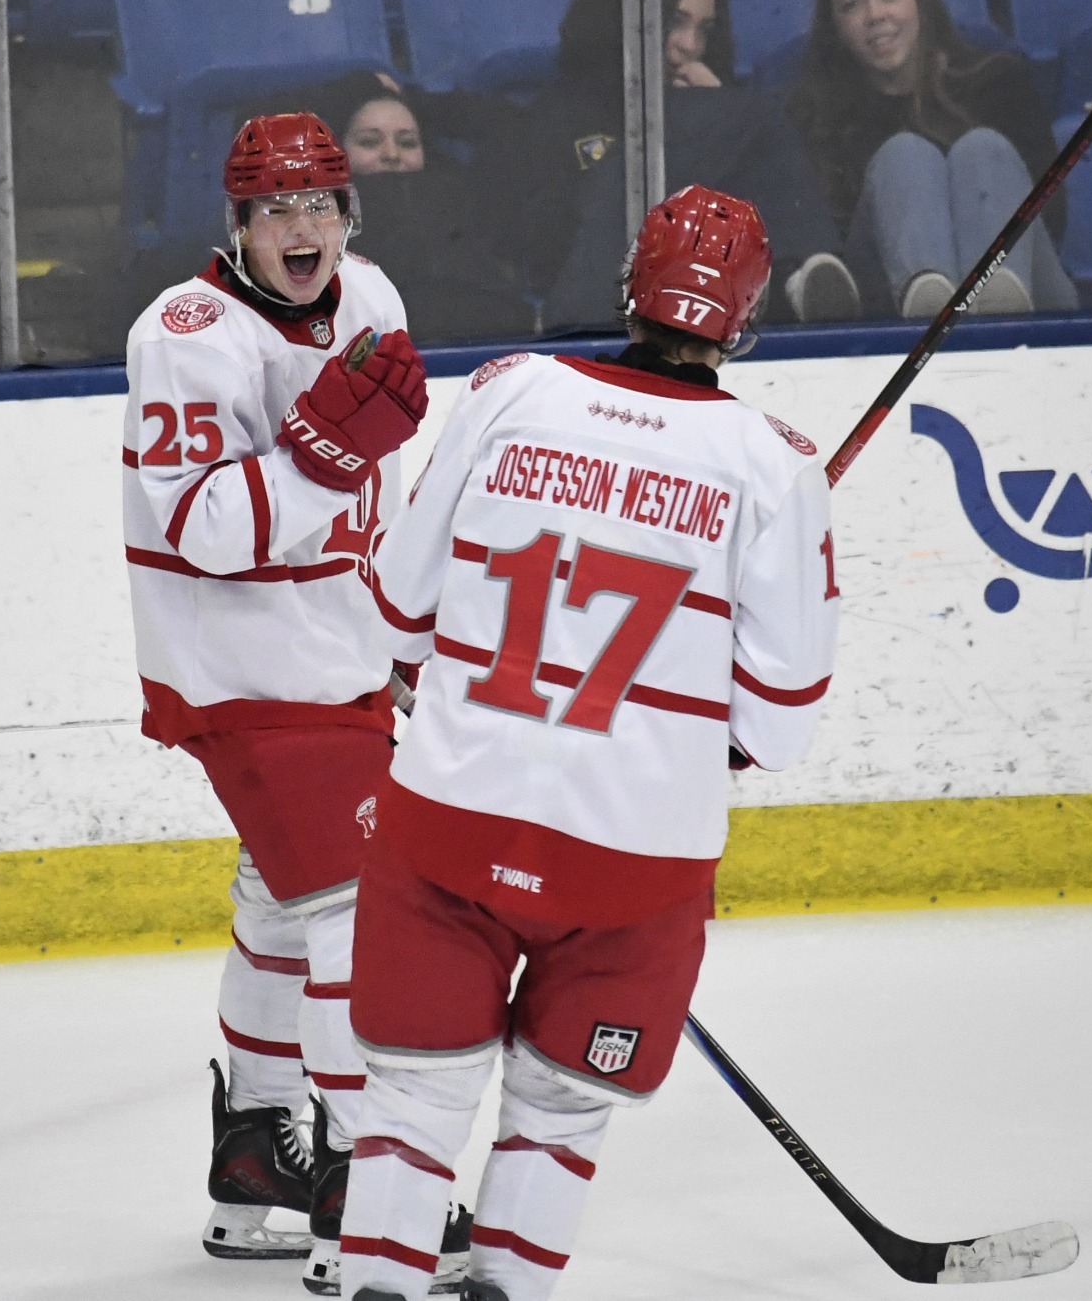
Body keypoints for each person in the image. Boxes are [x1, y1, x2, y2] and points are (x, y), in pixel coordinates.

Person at [338, 186, 841, 1301]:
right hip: (630, 866)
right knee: (559, 1111)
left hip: (448, 829)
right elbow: (779, 720)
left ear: (629, 285)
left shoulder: (508, 393)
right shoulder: (772, 466)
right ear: (743, 320)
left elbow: (398, 609)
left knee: (413, 1103)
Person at [119, 112, 462, 1292]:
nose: (300, 228)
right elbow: (202, 530)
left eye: (318, 204)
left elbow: (387, 499)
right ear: (238, 225)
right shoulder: (185, 334)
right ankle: (357, 1185)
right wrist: (316, 453)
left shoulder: (372, 298)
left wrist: (406, 629)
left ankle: (255, 1152)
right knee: (356, 908)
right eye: (276, 210)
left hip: (340, 655)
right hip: (239, 669)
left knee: (283, 897)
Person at [520, 0, 860, 329]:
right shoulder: (559, 111)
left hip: (693, 311)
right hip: (590, 311)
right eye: (674, 21)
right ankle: (803, 264)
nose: (690, 45)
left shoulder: (739, 122)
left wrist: (715, 113)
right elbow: (535, 230)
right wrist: (727, 114)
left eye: (704, 30)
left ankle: (801, 275)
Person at [785, 0, 1079, 318]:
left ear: (921, 0)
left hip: (1030, 293)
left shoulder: (999, 82)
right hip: (887, 310)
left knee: (981, 149)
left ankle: (997, 306)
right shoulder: (815, 114)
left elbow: (1052, 218)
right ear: (834, 28)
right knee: (904, 156)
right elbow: (829, 248)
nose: (875, 15)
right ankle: (928, 301)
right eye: (851, 5)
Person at [282, 72, 537, 344]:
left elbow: (520, 128)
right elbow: (253, 124)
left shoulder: (469, 192)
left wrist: (416, 101)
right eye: (370, 142)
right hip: (367, 352)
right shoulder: (320, 208)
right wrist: (358, 87)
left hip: (484, 338)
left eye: (407, 143)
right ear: (340, 152)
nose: (392, 154)